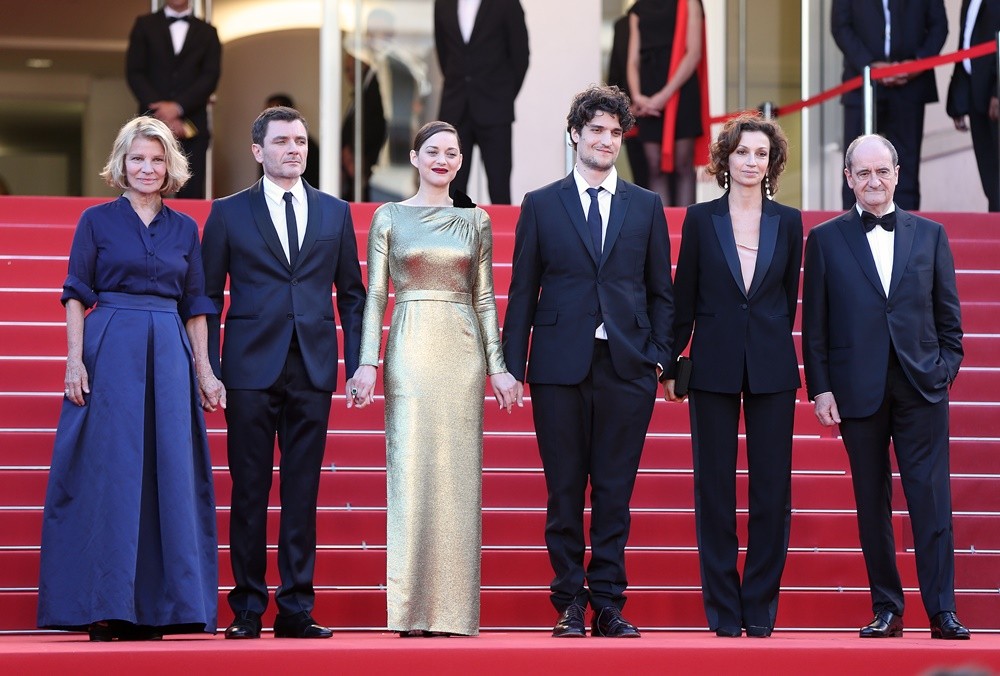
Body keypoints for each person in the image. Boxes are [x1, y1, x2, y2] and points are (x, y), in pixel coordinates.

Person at [37, 116, 225, 640]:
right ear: (121, 164)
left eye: (157, 159)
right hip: (110, 350)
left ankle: (163, 607)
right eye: (138, 158)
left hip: (168, 349)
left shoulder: (186, 228)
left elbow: (196, 304)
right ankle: (107, 603)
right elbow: (76, 292)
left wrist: (206, 372)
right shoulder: (95, 221)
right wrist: (74, 360)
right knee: (111, 476)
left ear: (171, 167)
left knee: (167, 474)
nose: (147, 168)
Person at [502, 85, 674, 639]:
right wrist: (510, 367)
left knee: (615, 493)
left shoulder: (645, 206)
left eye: (615, 132)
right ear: (575, 134)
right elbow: (523, 291)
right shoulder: (541, 203)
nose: (605, 140)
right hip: (558, 368)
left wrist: (659, 360)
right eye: (595, 129)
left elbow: (661, 292)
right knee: (565, 491)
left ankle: (610, 602)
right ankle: (569, 601)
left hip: (627, 368)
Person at [201, 106, 367, 640]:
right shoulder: (227, 214)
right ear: (258, 151)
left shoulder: (334, 213)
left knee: (303, 490)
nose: (293, 149)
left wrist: (361, 362)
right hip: (248, 369)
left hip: (313, 367)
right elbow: (204, 295)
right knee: (249, 491)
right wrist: (207, 368)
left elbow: (352, 296)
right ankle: (247, 607)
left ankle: (296, 606)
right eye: (281, 141)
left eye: (299, 140)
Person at [349, 121, 519, 637]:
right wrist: (366, 362)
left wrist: (499, 366)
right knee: (411, 473)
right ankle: (411, 611)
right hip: (409, 346)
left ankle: (452, 612)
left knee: (459, 478)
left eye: (452, 153)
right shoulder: (389, 217)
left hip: (461, 351)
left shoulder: (476, 220)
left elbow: (485, 297)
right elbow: (375, 295)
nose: (443, 160)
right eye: (433, 151)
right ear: (415, 157)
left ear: (461, 161)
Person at [802, 134, 969, 640]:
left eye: (883, 171)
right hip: (857, 390)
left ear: (897, 173)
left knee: (931, 500)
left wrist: (942, 372)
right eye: (863, 173)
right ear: (848, 178)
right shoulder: (826, 240)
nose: (874, 181)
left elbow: (950, 323)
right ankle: (888, 608)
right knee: (870, 503)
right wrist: (821, 388)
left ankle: (942, 611)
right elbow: (815, 327)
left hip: (921, 387)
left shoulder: (931, 235)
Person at [664, 113, 801, 638]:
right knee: (714, 491)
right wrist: (673, 361)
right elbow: (684, 299)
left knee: (773, 493)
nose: (751, 162)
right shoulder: (701, 220)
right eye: (742, 152)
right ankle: (723, 610)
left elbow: (785, 299)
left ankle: (760, 609)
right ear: (727, 159)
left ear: (772, 163)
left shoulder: (788, 222)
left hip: (771, 368)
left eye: (761, 154)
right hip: (713, 367)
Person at [831, 0, 947, 211]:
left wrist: (917, 63)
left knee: (906, 167)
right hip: (861, 82)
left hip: (910, 85)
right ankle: (850, 233)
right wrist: (869, 65)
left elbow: (939, 26)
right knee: (855, 162)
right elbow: (840, 26)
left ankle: (905, 232)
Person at [434, 0, 529, 204]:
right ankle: (452, 236)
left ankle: (499, 237)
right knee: (451, 188)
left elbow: (520, 55)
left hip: (495, 109)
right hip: (455, 107)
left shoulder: (507, 4)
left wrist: (503, 96)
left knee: (499, 187)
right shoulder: (442, 4)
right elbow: (444, 53)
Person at [126, 0, 221, 199]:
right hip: (150, 120)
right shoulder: (144, 25)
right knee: (143, 185)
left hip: (193, 123)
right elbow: (135, 72)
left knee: (191, 189)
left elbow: (210, 77)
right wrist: (162, 114)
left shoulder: (208, 32)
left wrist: (178, 108)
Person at [626, 0, 709, 207]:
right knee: (653, 165)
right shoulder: (637, 9)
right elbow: (632, 61)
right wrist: (637, 96)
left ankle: (686, 233)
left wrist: (664, 95)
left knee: (683, 163)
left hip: (681, 90)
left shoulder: (690, 3)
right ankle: (661, 234)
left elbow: (693, 53)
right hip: (648, 90)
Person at [947, 0, 1000, 212]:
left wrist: (998, 91)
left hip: (994, 95)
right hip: (975, 95)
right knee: (989, 175)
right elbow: (966, 44)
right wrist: (957, 102)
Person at [341, 51, 388, 202]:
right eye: (346, 70)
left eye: (353, 68)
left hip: (367, 166)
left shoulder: (375, 86)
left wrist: (355, 155)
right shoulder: (360, 93)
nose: (350, 75)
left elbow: (376, 125)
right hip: (355, 171)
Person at [261, 94, 320, 189]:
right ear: (257, 152)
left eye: (300, 142)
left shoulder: (310, 148)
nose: (294, 150)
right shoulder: (264, 143)